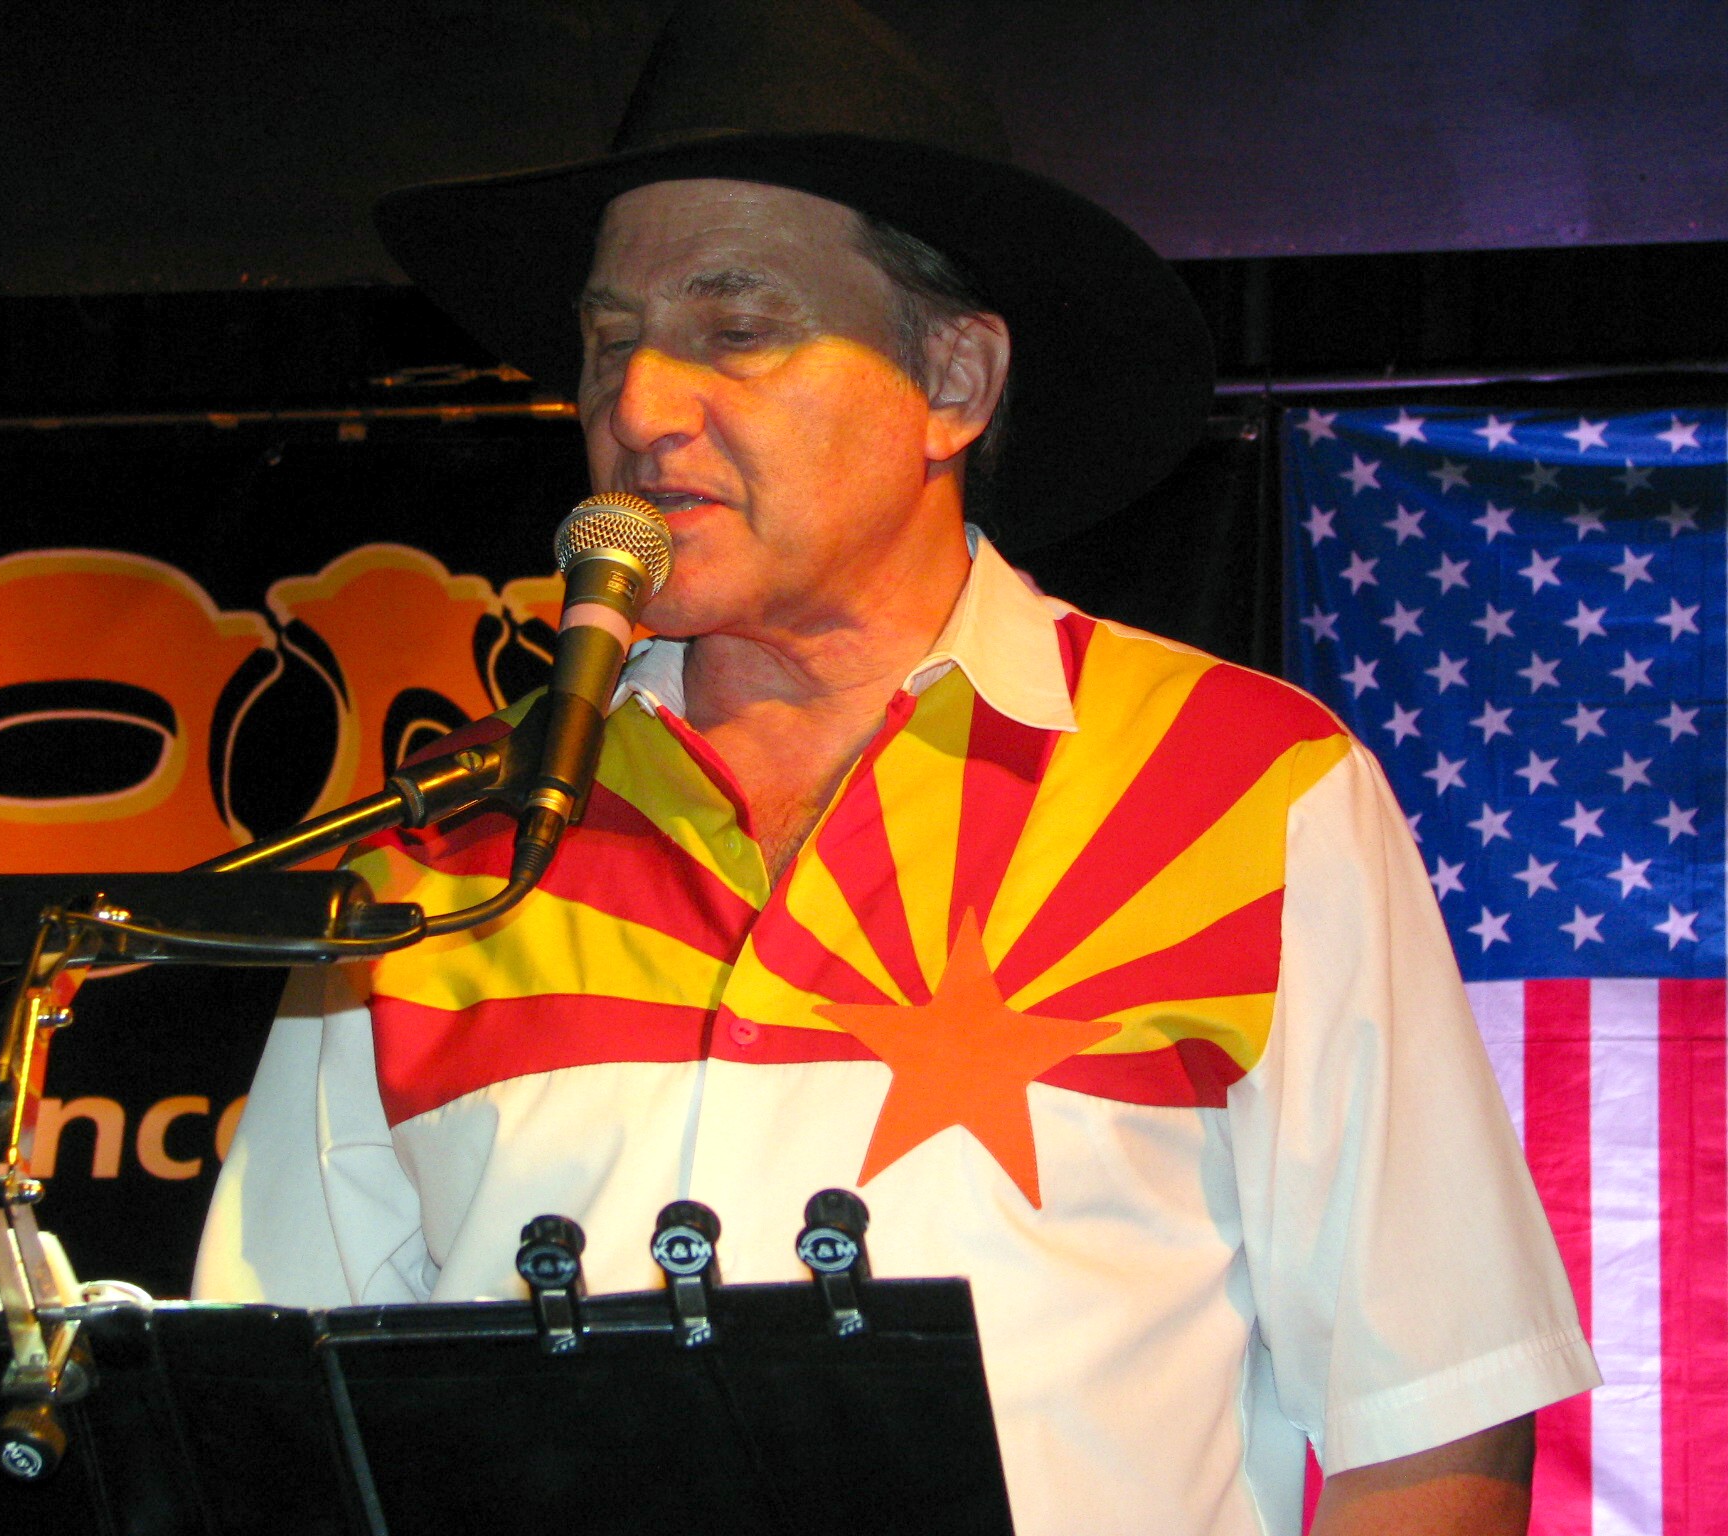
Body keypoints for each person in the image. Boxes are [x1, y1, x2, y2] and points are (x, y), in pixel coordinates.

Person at [195, 2, 1599, 1530]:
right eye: (609, 344)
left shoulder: (1243, 793)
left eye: (735, 330)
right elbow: (281, 1435)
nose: (638, 408)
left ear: (954, 382)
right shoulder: (440, 847)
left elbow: (1432, 1432)